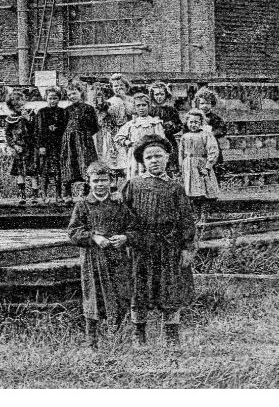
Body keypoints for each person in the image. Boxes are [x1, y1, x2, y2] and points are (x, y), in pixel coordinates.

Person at [122, 136, 197, 346]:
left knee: (170, 289)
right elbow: (122, 217)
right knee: (139, 289)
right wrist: (128, 240)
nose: (154, 160)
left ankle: (171, 336)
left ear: (167, 158)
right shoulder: (133, 185)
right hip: (141, 246)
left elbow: (186, 220)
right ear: (142, 161)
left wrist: (187, 247)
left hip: (169, 247)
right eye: (149, 157)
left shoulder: (175, 188)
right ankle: (139, 334)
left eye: (158, 156)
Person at [67, 160, 132, 348]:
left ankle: (116, 338)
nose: (100, 184)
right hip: (92, 259)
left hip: (117, 258)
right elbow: (73, 232)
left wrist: (125, 237)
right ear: (89, 182)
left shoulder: (119, 204)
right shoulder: (83, 206)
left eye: (104, 180)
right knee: (93, 296)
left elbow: (133, 227)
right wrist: (93, 237)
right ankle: (92, 341)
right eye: (96, 181)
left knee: (118, 294)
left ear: (111, 181)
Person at [177, 109, 221, 218]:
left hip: (201, 165)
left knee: (204, 190)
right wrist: (181, 166)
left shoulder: (206, 135)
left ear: (201, 123)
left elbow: (213, 151)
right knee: (191, 191)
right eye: (191, 122)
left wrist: (208, 167)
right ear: (187, 123)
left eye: (196, 122)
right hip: (188, 166)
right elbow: (181, 152)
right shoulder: (184, 137)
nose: (193, 124)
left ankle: (204, 214)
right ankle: (194, 215)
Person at [59, 82, 101, 198]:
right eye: (69, 95)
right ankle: (67, 193)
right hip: (69, 142)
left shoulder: (89, 108)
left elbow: (94, 127)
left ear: (80, 92)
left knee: (86, 163)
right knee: (69, 163)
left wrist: (83, 135)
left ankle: (86, 192)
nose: (72, 96)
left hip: (84, 141)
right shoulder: (66, 110)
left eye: (74, 93)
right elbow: (62, 126)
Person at [115, 92, 168, 179]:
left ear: (148, 106)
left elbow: (162, 140)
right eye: (138, 105)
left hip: (150, 154)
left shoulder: (154, 123)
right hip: (135, 155)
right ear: (134, 108)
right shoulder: (131, 124)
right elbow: (119, 137)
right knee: (136, 176)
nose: (141, 108)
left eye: (144, 105)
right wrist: (128, 143)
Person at [4, 90, 38, 204]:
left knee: (33, 172)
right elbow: (7, 135)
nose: (19, 107)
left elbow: (36, 129)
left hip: (31, 146)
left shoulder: (31, 114)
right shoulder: (10, 118)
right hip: (19, 148)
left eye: (21, 104)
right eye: (16, 106)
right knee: (20, 172)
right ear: (11, 107)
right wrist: (14, 145)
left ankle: (34, 196)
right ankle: (22, 195)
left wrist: (28, 118)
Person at [34, 87, 68, 201]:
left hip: (58, 145)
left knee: (58, 170)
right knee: (45, 170)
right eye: (50, 98)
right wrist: (41, 146)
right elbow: (38, 130)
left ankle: (58, 195)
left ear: (59, 99)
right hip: (46, 145)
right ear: (46, 98)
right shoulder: (42, 112)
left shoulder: (62, 112)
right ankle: (44, 194)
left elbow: (64, 128)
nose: (52, 101)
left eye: (55, 98)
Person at [90, 82, 127, 179]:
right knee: (105, 153)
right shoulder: (96, 106)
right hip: (103, 132)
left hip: (115, 131)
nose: (99, 98)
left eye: (101, 94)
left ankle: (118, 176)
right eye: (97, 95)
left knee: (116, 154)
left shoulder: (114, 103)